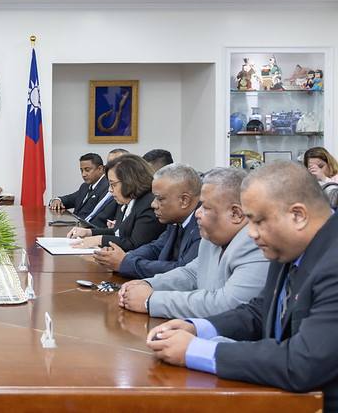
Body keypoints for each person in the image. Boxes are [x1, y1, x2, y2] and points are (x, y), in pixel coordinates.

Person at [147, 161, 338, 411]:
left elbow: (303, 363)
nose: (251, 233)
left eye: (258, 221)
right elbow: (261, 311)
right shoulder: (290, 245)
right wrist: (198, 327)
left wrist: (197, 351)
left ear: (298, 215)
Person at [119, 167, 269, 318]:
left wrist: (150, 300)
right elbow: (190, 273)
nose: (197, 212)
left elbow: (227, 304)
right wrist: (148, 284)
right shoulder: (212, 238)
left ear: (236, 214)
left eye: (205, 207)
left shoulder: (254, 244)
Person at [94, 163, 202, 279]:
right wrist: (122, 257)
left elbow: (181, 271)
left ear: (184, 200)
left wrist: (125, 263)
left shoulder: (203, 226)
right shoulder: (176, 219)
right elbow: (155, 248)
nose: (153, 204)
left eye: (160, 199)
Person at [68, 154, 165, 251]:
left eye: (113, 185)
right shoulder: (128, 201)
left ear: (129, 181)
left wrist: (99, 240)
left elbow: (135, 244)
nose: (110, 190)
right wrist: (89, 232)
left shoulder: (148, 205)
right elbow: (118, 233)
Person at [49, 153, 117, 227]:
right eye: (81, 170)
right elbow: (70, 199)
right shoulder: (85, 186)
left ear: (100, 169)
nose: (83, 174)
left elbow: (98, 218)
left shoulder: (107, 187)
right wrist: (57, 200)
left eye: (87, 170)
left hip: (88, 230)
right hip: (76, 227)